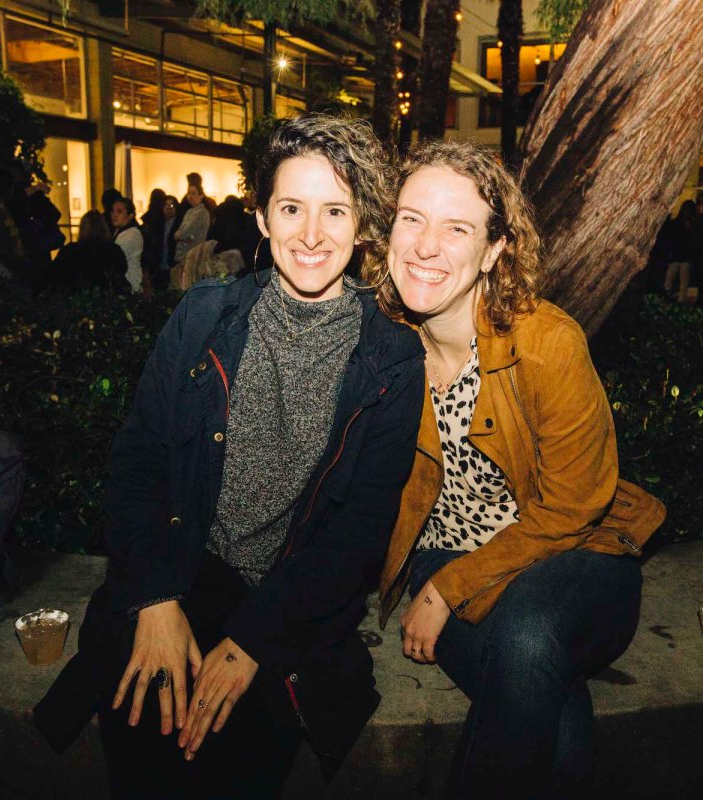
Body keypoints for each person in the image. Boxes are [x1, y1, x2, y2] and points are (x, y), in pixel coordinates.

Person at [34, 114, 425, 800]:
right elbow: (137, 466)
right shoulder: (204, 316)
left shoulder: (391, 356)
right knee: (144, 730)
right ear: (263, 219)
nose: (311, 234)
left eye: (334, 210)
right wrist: (154, 597)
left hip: (291, 603)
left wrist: (255, 643)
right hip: (183, 573)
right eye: (292, 208)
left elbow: (357, 533)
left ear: (361, 224)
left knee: (236, 751)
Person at [369, 140, 665, 799]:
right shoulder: (379, 345)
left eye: (456, 228)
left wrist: (448, 589)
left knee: (530, 633)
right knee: (548, 712)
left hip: (576, 558)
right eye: (412, 218)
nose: (425, 246)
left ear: (496, 250)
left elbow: (574, 506)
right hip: (441, 557)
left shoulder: (546, 342)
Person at [49, 210, 128, 292]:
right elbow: (121, 269)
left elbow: (56, 273)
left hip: (76, 297)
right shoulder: (113, 250)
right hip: (106, 297)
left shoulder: (71, 250)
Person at [662, 200, 696, 302]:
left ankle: (676, 299)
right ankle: (671, 298)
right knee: (675, 279)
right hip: (678, 255)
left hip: (682, 255)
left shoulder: (690, 224)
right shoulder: (680, 224)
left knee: (680, 281)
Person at [111, 196, 144, 293]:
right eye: (113, 211)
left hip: (130, 281)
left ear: (130, 216)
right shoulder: (119, 231)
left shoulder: (131, 235)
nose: (114, 215)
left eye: (119, 212)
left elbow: (117, 256)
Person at [174, 183, 211, 266]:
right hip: (182, 255)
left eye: (193, 193)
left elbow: (185, 233)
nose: (190, 196)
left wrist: (181, 235)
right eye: (189, 193)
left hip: (193, 256)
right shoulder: (189, 212)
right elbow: (180, 232)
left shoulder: (202, 213)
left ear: (201, 195)